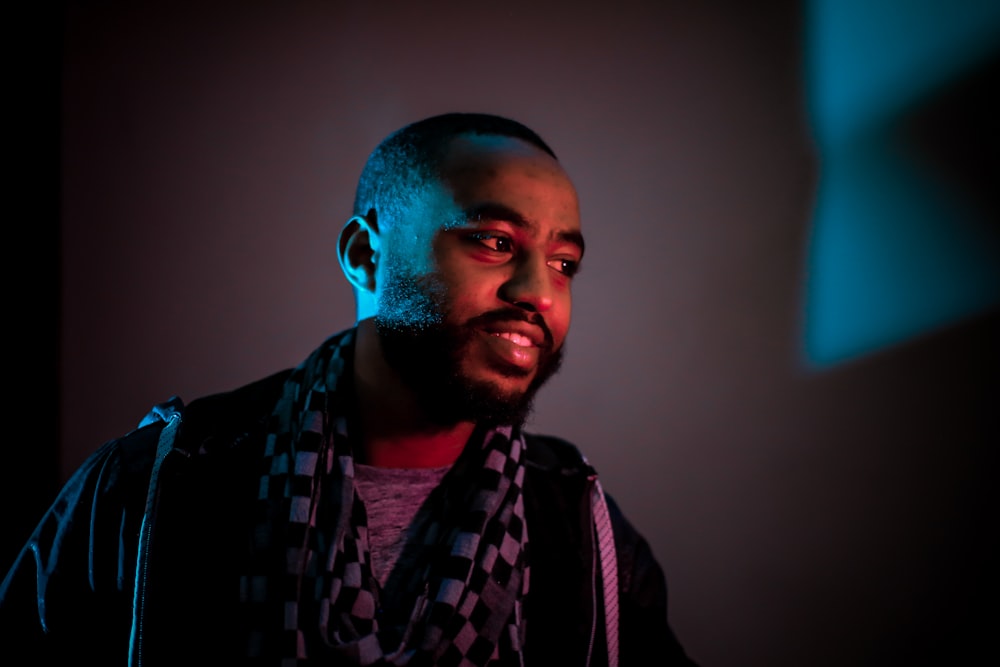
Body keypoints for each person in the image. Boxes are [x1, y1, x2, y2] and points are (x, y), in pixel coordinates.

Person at [0, 112, 697, 666]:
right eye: (493, 241)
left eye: (563, 261)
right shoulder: (156, 487)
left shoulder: (581, 528)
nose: (538, 293)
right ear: (366, 254)